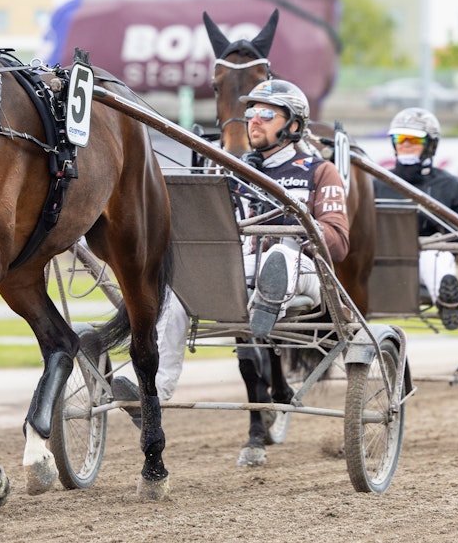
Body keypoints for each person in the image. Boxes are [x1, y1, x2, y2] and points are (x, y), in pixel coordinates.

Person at [112, 79, 351, 416]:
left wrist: (295, 225)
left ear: (294, 125)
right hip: (239, 272)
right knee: (179, 285)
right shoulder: (235, 172)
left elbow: (338, 242)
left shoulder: (320, 172)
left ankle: (264, 313)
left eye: (266, 114)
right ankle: (152, 392)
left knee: (279, 256)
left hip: (305, 273)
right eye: (251, 112)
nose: (253, 119)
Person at [373, 107, 458, 329]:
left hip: (426, 259)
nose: (406, 144)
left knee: (435, 257)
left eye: (413, 138)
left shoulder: (452, 187)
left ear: (431, 144)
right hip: (383, 261)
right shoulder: (377, 183)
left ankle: (447, 300)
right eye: (400, 138)